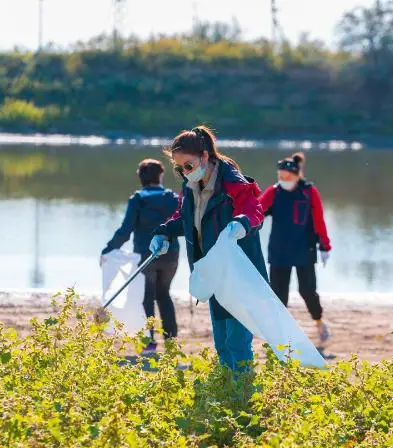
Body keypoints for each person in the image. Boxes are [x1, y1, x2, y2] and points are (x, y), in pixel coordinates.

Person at [150, 125, 267, 372]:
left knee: (237, 343)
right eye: (179, 168)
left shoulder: (233, 182)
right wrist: (163, 233)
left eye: (188, 165)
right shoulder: (191, 187)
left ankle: (242, 395)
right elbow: (184, 218)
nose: (184, 172)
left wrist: (241, 223)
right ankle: (225, 393)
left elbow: (254, 210)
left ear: (204, 156)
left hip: (238, 274)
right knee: (222, 343)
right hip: (212, 273)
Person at [101, 159, 180, 353]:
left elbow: (126, 230)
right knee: (164, 295)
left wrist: (109, 249)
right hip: (170, 255)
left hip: (145, 255)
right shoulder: (172, 198)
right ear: (161, 176)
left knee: (146, 298)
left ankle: (149, 343)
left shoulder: (137, 199)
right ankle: (171, 343)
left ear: (140, 178)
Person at [259, 152, 332, 347]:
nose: (283, 181)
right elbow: (258, 210)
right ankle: (280, 335)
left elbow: (319, 219)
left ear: (297, 175)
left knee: (307, 291)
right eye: (280, 177)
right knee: (278, 294)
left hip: (304, 249)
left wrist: (325, 245)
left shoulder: (309, 192)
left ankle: (319, 322)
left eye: (287, 177)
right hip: (279, 251)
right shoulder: (274, 192)